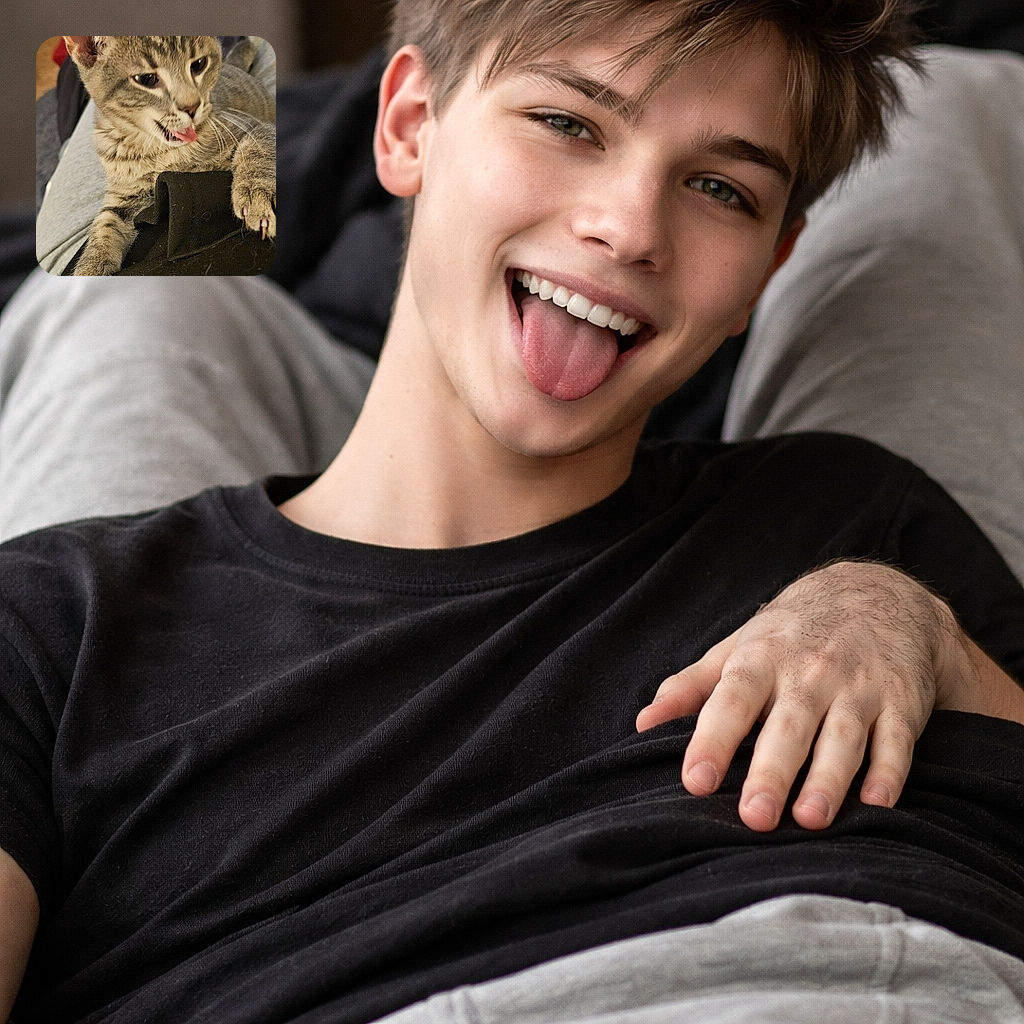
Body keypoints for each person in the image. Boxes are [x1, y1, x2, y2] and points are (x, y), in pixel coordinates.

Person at [1, 2, 1023, 1022]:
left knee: (951, 102)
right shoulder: (51, 619)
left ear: (772, 264)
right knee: (130, 284)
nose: (627, 226)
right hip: (334, 262)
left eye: (720, 187)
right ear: (406, 124)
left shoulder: (857, 525)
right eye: (570, 124)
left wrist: (914, 620)